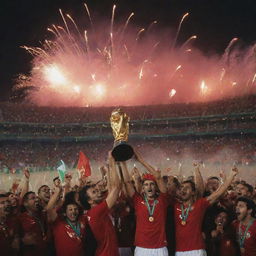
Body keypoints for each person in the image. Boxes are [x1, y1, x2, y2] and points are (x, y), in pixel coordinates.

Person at [174, 166, 238, 256]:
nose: (183, 190)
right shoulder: (175, 206)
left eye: (187, 188)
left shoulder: (200, 204)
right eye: (181, 188)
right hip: (179, 251)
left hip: (197, 250)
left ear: (193, 192)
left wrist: (231, 175)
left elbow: (217, 194)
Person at [122, 150, 169, 256]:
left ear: (156, 187)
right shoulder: (138, 200)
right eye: (146, 185)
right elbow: (127, 182)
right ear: (142, 188)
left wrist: (141, 161)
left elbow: (157, 176)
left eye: (152, 184)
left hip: (160, 248)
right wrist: (123, 162)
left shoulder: (163, 200)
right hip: (141, 248)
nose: (149, 187)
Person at [79, 153, 121, 256]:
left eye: (96, 190)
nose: (98, 192)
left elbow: (111, 188)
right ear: (89, 201)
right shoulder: (96, 212)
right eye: (94, 192)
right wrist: (112, 163)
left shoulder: (93, 211)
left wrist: (108, 171)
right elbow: (116, 187)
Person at [47, 186, 88, 256]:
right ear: (65, 213)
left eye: (75, 209)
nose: (73, 212)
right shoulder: (58, 222)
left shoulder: (83, 220)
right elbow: (49, 208)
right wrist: (57, 192)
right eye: (70, 209)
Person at [19, 191, 48, 256]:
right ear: (25, 203)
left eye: (36, 198)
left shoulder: (41, 215)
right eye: (33, 198)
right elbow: (11, 241)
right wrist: (22, 241)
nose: (36, 200)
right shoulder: (20, 218)